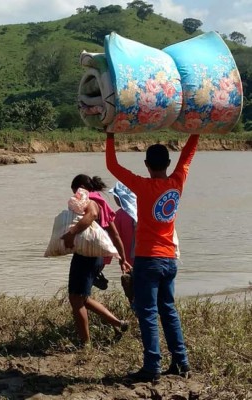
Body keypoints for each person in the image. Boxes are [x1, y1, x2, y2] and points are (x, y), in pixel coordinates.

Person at [106, 132, 199, 382]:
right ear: (168, 164)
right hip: (169, 259)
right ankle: (181, 363)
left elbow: (112, 166)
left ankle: (152, 367)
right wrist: (197, 129)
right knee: (168, 311)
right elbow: (187, 157)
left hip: (148, 259)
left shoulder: (142, 185)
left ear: (146, 165)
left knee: (147, 312)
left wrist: (111, 135)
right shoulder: (177, 181)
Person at [61, 174, 132, 348]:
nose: (77, 196)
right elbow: (114, 234)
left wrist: (71, 233)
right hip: (97, 258)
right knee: (82, 298)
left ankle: (85, 345)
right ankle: (118, 323)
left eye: (77, 191)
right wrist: (123, 258)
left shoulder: (91, 200)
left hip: (86, 257)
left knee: (75, 300)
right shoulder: (102, 202)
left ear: (82, 188)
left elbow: (91, 214)